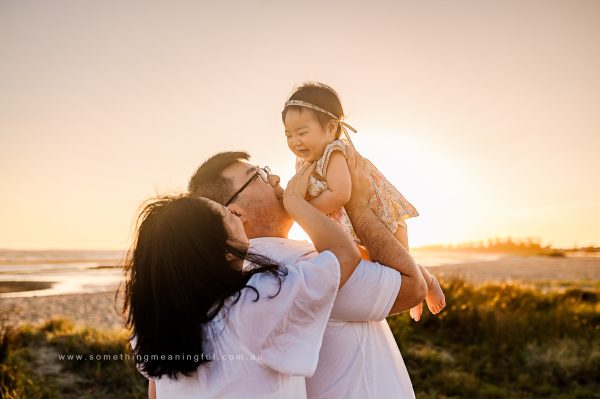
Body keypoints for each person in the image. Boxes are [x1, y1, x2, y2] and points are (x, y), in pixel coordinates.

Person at [188, 147, 428, 398]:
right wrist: (358, 204)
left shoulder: (249, 272)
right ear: (236, 213)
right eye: (258, 175)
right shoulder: (296, 265)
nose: (275, 178)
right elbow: (412, 287)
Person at [124, 162, 363, 398]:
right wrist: (296, 204)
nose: (232, 212)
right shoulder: (254, 298)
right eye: (224, 214)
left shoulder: (155, 321)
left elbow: (155, 392)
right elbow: (344, 256)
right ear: (224, 250)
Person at [282, 81, 446, 321]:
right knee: (376, 269)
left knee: (397, 268)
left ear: (330, 128)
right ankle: (419, 286)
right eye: (288, 135)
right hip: (354, 227)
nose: (295, 141)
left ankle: (427, 282)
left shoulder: (335, 152)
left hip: (381, 218)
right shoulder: (304, 162)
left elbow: (340, 195)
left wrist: (303, 211)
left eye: (302, 132)